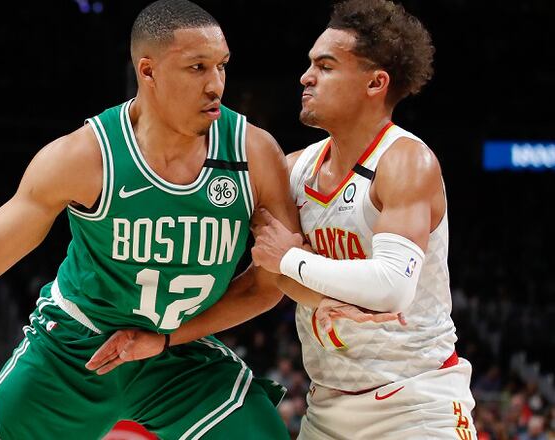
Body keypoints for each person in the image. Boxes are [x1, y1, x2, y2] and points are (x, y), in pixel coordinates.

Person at [0, 1, 394, 438]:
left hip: (178, 354)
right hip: (75, 349)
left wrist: (167, 338)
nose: (216, 84)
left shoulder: (252, 152)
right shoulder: (86, 158)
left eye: (222, 66)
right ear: (148, 71)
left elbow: (269, 284)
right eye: (197, 68)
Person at [87, 1, 477, 439]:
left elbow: (392, 288)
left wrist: (292, 259)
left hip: (415, 403)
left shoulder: (405, 161)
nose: (306, 77)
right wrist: (164, 336)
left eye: (325, 67)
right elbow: (267, 281)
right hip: (327, 407)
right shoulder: (293, 170)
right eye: (310, 64)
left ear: (375, 82)